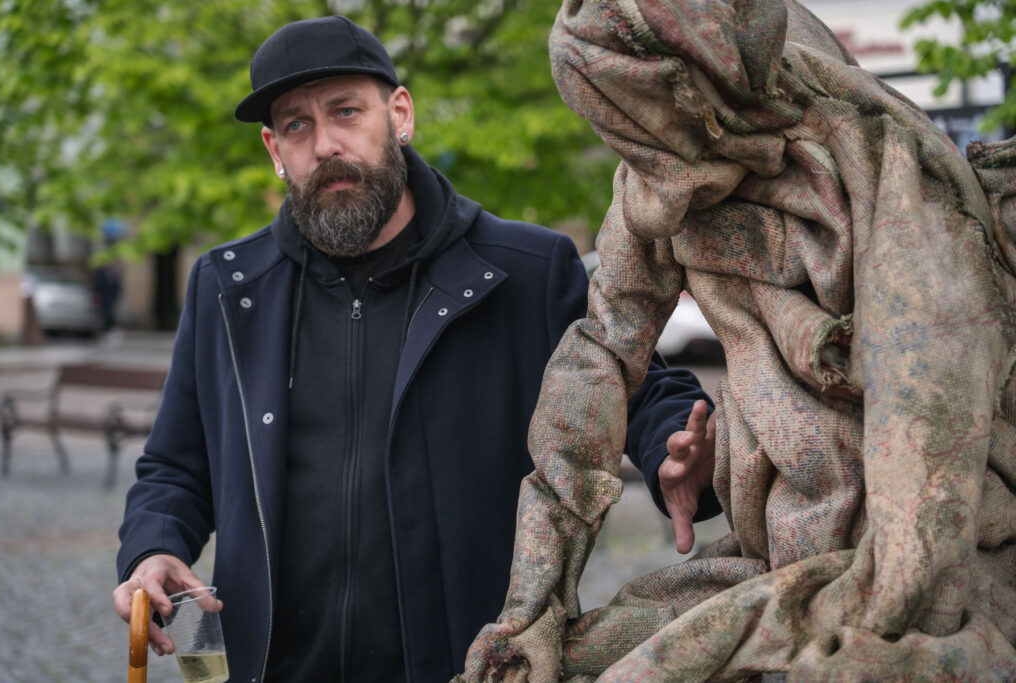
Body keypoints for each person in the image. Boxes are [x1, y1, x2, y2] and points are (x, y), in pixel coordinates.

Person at [112, 15, 718, 682]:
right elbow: (175, 465)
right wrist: (153, 546)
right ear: (273, 148)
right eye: (297, 125)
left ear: (399, 115)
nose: (325, 144)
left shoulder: (526, 270)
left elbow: (642, 388)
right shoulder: (228, 286)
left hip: (469, 664)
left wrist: (674, 452)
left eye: (346, 111)